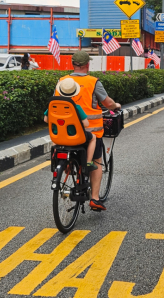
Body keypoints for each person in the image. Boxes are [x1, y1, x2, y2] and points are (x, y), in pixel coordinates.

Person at [57, 50, 121, 211]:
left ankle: (66, 167)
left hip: (65, 133)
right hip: (90, 133)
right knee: (97, 161)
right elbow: (107, 103)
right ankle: (95, 198)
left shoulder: (62, 82)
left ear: (72, 64)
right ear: (87, 64)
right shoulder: (93, 82)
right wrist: (116, 106)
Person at [45, 77, 96, 173]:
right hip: (74, 138)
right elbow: (86, 124)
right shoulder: (76, 107)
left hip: (57, 138)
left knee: (56, 143)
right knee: (93, 138)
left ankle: (56, 159)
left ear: (59, 91)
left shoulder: (53, 106)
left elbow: (46, 119)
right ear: (74, 94)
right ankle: (88, 162)